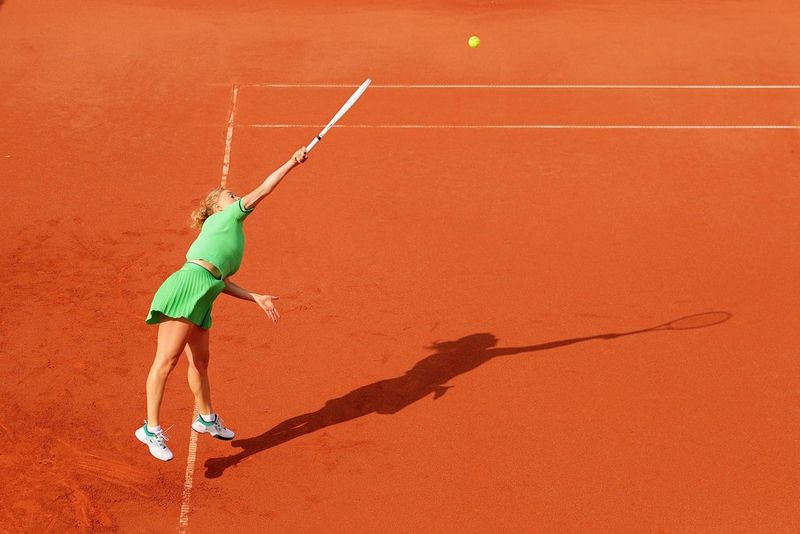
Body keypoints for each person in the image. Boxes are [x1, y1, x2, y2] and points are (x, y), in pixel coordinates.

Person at [135, 146, 308, 461]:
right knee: (166, 360)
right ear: (216, 207)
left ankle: (205, 418)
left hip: (204, 294)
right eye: (229, 194)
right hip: (186, 288)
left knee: (200, 363)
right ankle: (150, 429)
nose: (236, 196)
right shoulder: (227, 218)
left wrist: (255, 296)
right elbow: (265, 189)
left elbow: (219, 281)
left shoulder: (230, 231)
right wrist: (291, 163)